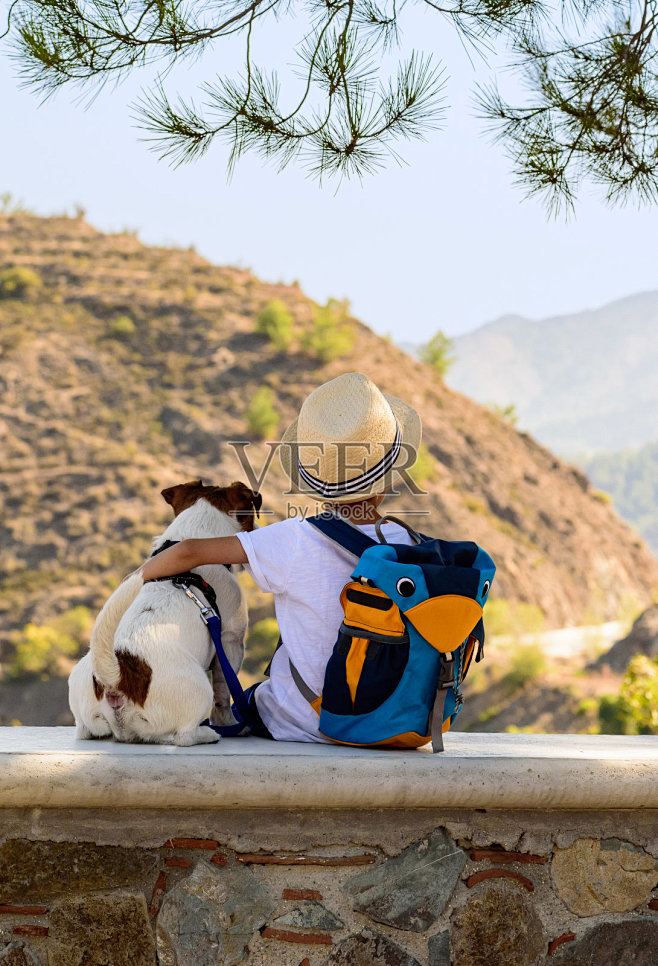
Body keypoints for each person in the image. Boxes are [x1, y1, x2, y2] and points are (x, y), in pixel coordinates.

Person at [140, 371, 422, 742]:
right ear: (385, 482)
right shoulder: (410, 542)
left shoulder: (292, 539)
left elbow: (189, 551)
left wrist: (137, 581)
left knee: (253, 699)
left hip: (308, 722)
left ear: (316, 481)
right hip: (397, 719)